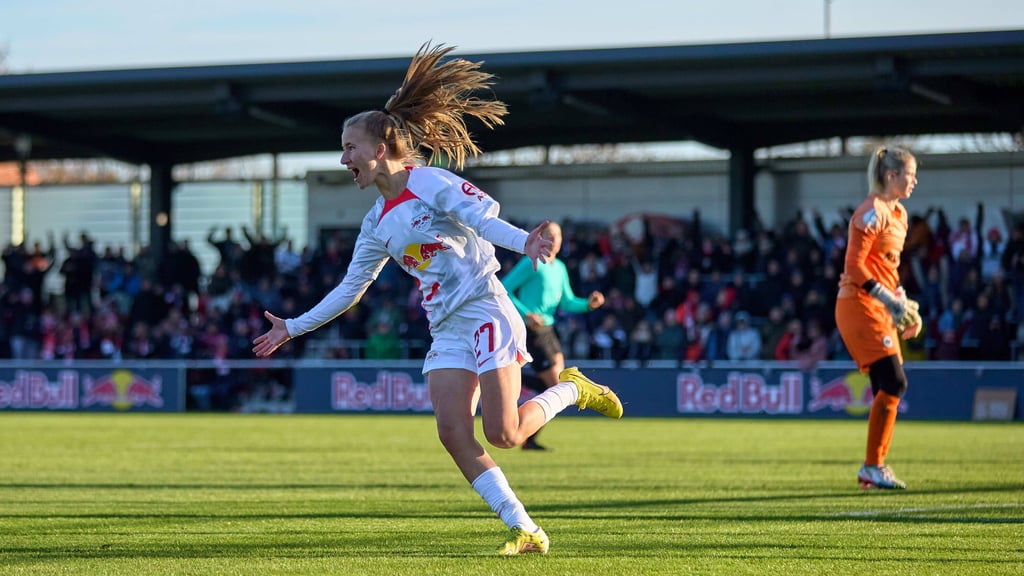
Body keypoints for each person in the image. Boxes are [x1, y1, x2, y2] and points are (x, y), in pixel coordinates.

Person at [251, 43, 623, 555]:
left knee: (505, 434)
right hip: (447, 327)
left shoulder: (428, 181)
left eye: (349, 148)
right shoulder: (375, 223)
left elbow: (482, 221)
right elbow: (349, 291)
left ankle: (572, 389)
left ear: (379, 148)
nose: (343, 159)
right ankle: (524, 528)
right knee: (452, 433)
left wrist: (525, 242)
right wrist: (292, 326)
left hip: (486, 307)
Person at [835, 145, 922, 490]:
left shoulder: (898, 215)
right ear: (891, 176)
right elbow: (853, 267)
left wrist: (902, 304)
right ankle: (873, 465)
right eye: (910, 175)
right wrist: (889, 299)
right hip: (858, 304)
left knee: (887, 387)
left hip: (879, 306)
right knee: (894, 382)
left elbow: (885, 268)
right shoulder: (870, 213)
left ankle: (874, 467)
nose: (915, 181)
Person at [501, 221, 606, 450]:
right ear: (540, 239)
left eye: (557, 236)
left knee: (556, 386)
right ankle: (512, 383)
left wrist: (588, 304)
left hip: (549, 330)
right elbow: (503, 288)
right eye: (548, 235)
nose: (554, 240)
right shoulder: (531, 263)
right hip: (533, 331)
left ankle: (528, 434)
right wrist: (526, 313)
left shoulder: (559, 267)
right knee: (559, 387)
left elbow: (568, 301)